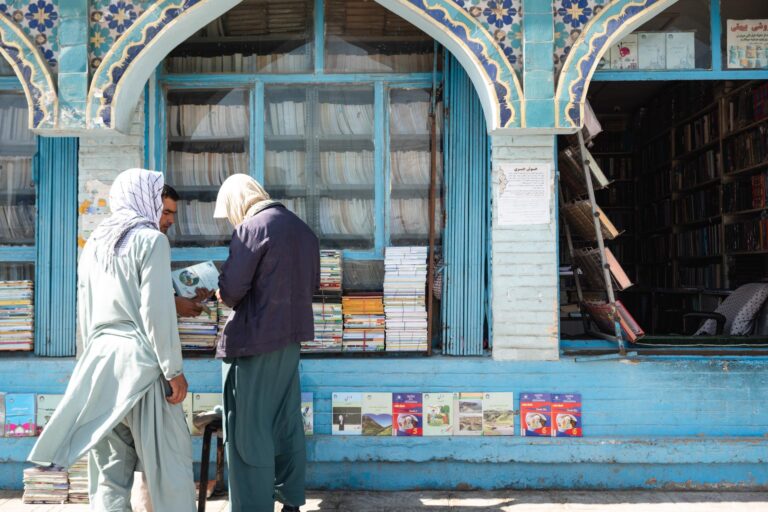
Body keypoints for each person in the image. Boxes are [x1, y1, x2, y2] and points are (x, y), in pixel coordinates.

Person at [28, 168, 196, 512]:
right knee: (170, 469)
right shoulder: (151, 241)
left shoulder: (96, 243)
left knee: (109, 472)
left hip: (101, 365)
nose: (167, 222)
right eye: (162, 210)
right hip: (143, 367)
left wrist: (90, 367)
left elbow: (86, 309)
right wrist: (173, 369)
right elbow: (155, 311)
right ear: (144, 199)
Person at [214, 174, 319, 512]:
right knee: (285, 421)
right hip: (290, 342)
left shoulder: (251, 229)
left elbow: (231, 292)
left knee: (247, 430)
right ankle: (290, 499)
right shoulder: (302, 229)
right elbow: (311, 283)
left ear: (237, 202)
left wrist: (219, 291)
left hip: (252, 345)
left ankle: (252, 506)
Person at [159, 184, 212, 316]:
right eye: (166, 213)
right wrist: (174, 304)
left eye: (173, 214)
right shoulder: (130, 242)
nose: (171, 220)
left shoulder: (157, 241)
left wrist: (189, 299)